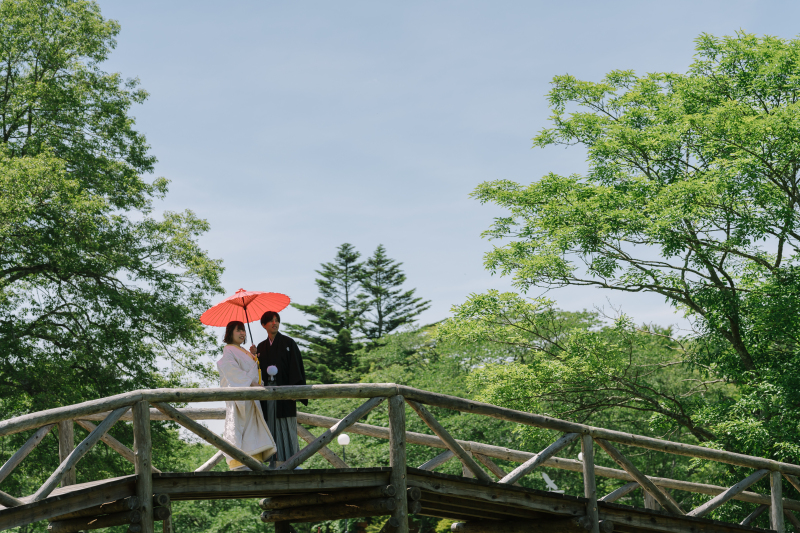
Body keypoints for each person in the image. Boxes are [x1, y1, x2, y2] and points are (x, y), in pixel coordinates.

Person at [217, 320, 276, 470]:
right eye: (238, 330)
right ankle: (239, 461)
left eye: (243, 330)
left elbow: (251, 369)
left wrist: (254, 356)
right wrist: (252, 383)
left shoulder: (243, 350)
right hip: (241, 394)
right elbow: (232, 370)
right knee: (239, 425)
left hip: (251, 395)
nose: (242, 333)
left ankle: (254, 459)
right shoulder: (228, 350)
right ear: (230, 333)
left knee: (252, 427)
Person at [251, 311, 307, 465]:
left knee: (286, 425)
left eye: (277, 320)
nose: (274, 323)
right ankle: (271, 461)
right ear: (263, 325)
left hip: (285, 394)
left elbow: (297, 367)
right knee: (269, 425)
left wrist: (295, 390)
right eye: (270, 321)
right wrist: (254, 356)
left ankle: (291, 462)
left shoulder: (289, 343)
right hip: (267, 395)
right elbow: (256, 372)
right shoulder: (261, 347)